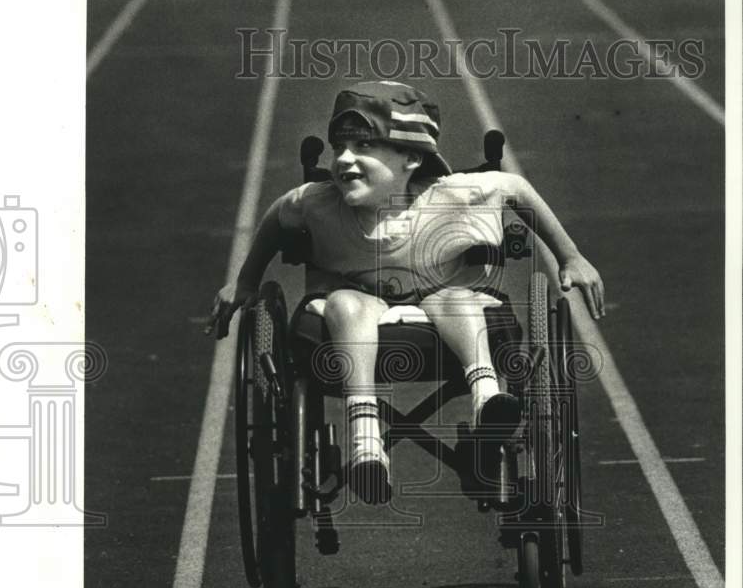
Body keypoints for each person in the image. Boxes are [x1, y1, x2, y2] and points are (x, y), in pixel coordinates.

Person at [206, 80, 605, 503]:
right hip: (360, 306)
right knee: (345, 302)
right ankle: (365, 438)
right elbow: (274, 218)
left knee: (454, 300)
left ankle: (487, 397)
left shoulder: (452, 196)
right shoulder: (318, 202)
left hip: (445, 298)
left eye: (364, 146)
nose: (344, 160)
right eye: (338, 147)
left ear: (411, 158)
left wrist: (570, 256)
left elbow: (517, 189)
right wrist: (246, 281)